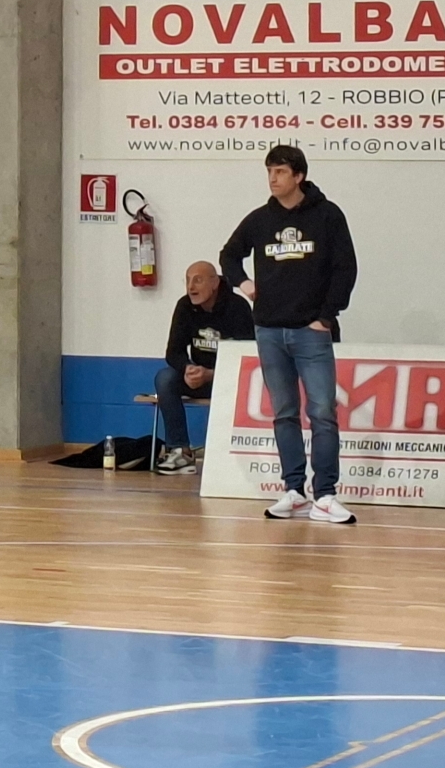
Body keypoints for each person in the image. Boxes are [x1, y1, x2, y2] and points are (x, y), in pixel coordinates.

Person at [220, 145, 358, 525]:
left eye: (280, 171)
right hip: (269, 330)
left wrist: (326, 316)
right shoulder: (259, 219)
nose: (273, 179)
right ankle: (294, 490)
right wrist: (244, 284)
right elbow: (229, 255)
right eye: (269, 171)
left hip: (311, 331)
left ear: (299, 176)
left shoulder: (328, 215)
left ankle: (325, 495)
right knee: (284, 413)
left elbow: (345, 268)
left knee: (322, 412)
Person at [153, 261, 253, 476]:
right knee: (165, 379)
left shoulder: (238, 307)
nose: (191, 287)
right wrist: (188, 368)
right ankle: (180, 450)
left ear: (215, 283)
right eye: (187, 281)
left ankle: (230, 456)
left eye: (197, 280)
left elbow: (248, 355)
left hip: (230, 380)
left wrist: (213, 374)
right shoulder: (184, 306)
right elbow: (173, 351)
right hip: (198, 377)